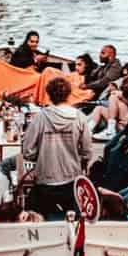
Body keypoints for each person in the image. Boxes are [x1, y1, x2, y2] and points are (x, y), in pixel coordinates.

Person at [22, 76, 92, 219]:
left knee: (33, 214)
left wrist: (40, 156)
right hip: (71, 180)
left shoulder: (40, 117)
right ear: (68, 94)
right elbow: (87, 151)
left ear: (49, 95)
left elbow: (27, 150)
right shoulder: (80, 117)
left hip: (45, 181)